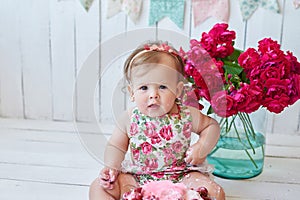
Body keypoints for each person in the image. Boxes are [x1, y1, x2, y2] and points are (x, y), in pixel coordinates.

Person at [89, 41, 225, 200]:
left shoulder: (187, 114)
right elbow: (116, 145)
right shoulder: (129, 118)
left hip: (181, 176)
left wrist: (201, 147)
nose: (153, 95)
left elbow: (211, 126)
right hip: (138, 177)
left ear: (178, 90)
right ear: (132, 92)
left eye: (162, 87)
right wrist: (111, 168)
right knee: (98, 188)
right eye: (144, 88)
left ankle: (190, 196)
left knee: (215, 192)